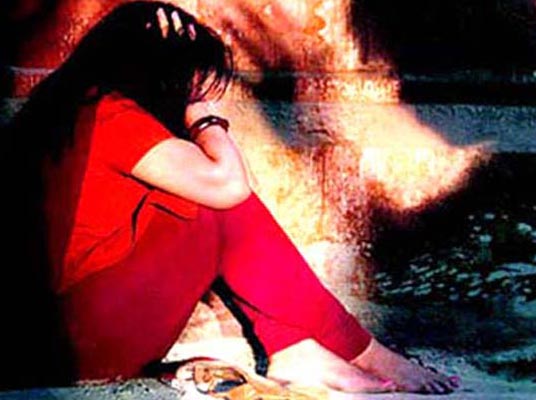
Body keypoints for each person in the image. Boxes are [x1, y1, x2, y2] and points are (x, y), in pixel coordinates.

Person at [3, 1, 460, 394]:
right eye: (191, 82)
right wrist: (203, 115)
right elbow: (230, 188)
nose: (193, 94)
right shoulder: (109, 113)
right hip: (77, 348)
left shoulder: (71, 108)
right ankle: (358, 352)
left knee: (216, 198)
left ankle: (296, 349)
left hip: (54, 343)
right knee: (218, 201)